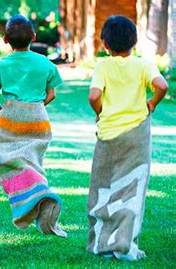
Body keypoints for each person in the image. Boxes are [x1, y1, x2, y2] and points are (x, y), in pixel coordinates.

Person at [87, 15, 168, 261]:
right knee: (132, 187)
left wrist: (101, 112)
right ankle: (124, 244)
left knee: (104, 186)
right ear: (134, 41)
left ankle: (101, 243)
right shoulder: (143, 65)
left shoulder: (102, 65)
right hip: (136, 135)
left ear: (105, 45)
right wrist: (151, 104)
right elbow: (162, 85)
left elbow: (93, 96)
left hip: (108, 133)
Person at [0, 15, 67, 237]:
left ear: (5, 39)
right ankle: (40, 201)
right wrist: (37, 107)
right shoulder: (46, 63)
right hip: (38, 117)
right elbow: (51, 94)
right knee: (34, 161)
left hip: (10, 116)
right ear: (34, 37)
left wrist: (4, 114)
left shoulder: (0, 65)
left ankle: (39, 194)